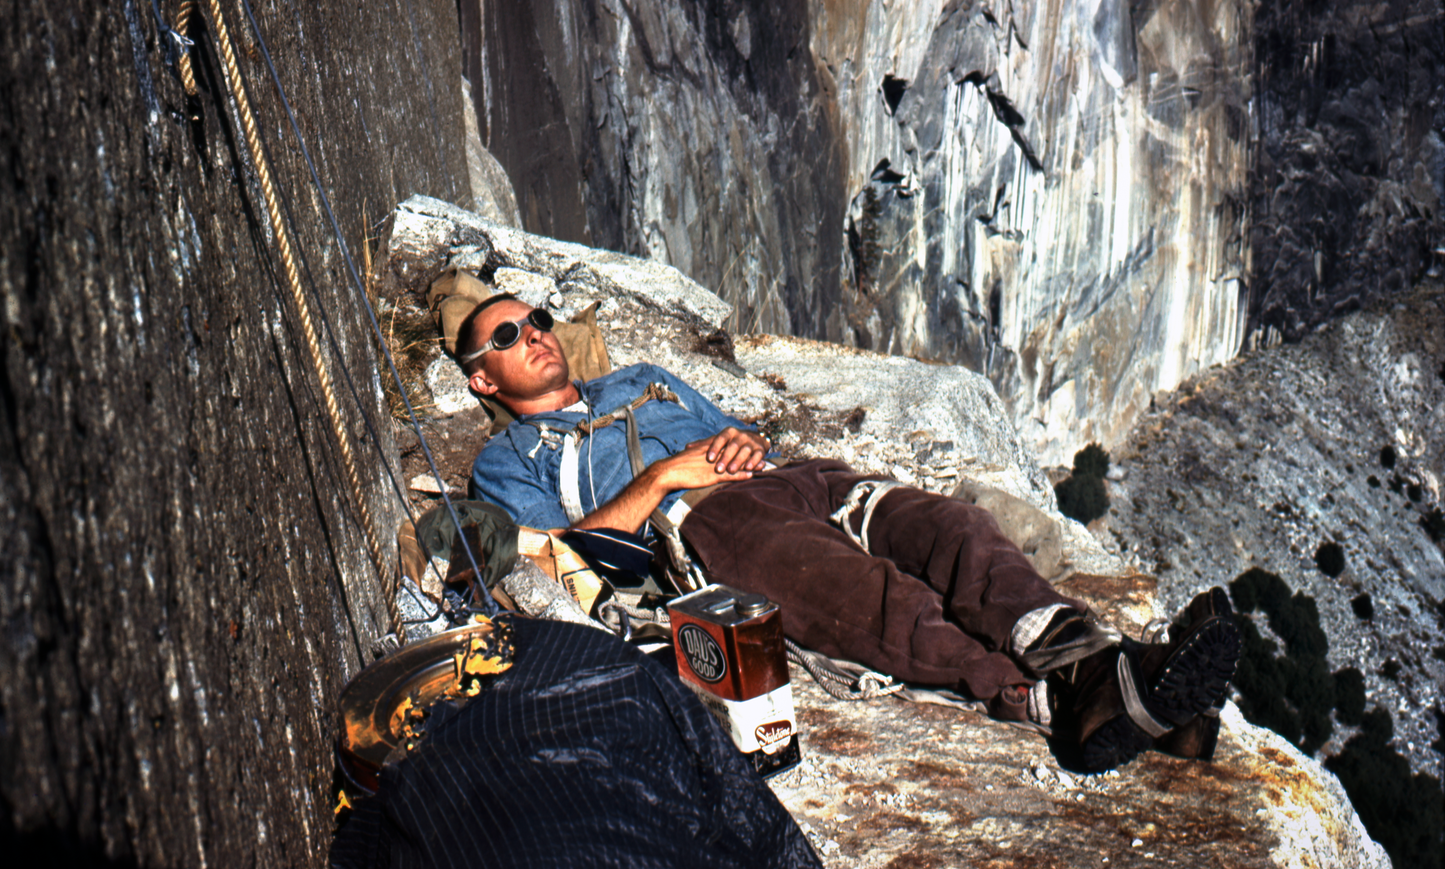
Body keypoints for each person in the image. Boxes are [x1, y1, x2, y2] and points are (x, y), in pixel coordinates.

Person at [461, 294, 1240, 772]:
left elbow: (739, 431)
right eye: (506, 336)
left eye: (534, 319)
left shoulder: (638, 380)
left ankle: (1095, 667)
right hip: (702, 521)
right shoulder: (507, 461)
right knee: (867, 595)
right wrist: (663, 478)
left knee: (954, 528)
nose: (532, 334)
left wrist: (742, 443)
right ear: (481, 379)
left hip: (793, 477)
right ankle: (1075, 700)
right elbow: (558, 554)